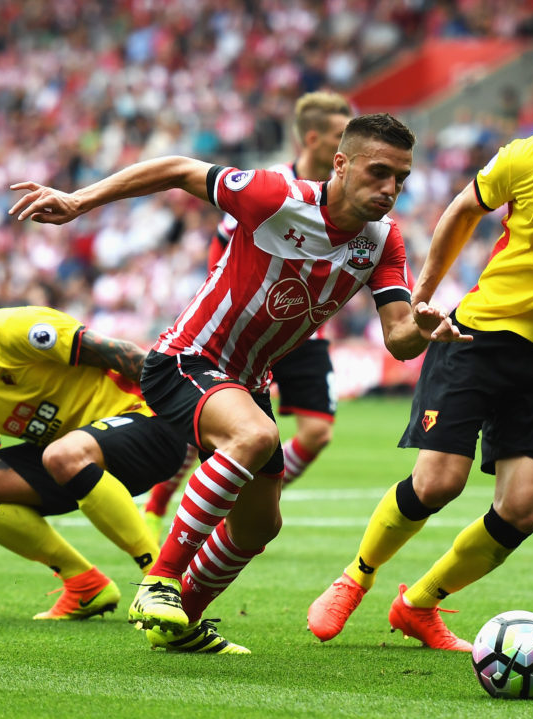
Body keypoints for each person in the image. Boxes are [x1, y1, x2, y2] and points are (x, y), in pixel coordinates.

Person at [9, 113, 469, 653]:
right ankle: (159, 582)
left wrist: (425, 329)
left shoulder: (382, 241)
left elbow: (397, 338)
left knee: (257, 527)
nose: (390, 189)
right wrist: (78, 202)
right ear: (340, 164)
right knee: (254, 437)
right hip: (186, 357)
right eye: (378, 172)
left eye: (401, 178)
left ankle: (181, 624)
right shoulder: (274, 195)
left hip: (247, 381)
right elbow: (179, 168)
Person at [308, 38, 533, 651]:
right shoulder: (524, 156)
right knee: (437, 483)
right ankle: (357, 576)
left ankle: (419, 604)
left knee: (523, 509)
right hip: (476, 336)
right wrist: (423, 293)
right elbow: (461, 211)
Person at [0, 288, 246, 652]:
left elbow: (122, 353)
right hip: (81, 460)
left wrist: (197, 416)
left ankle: (160, 582)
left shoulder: (10, 330)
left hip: (150, 423)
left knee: (61, 454)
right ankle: (84, 585)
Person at [140, 91, 352, 538]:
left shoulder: (350, 201)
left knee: (317, 434)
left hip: (300, 334)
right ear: (312, 140)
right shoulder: (270, 187)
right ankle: (161, 503)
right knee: (212, 419)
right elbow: (223, 245)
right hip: (245, 325)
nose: (346, 147)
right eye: (339, 136)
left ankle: (243, 496)